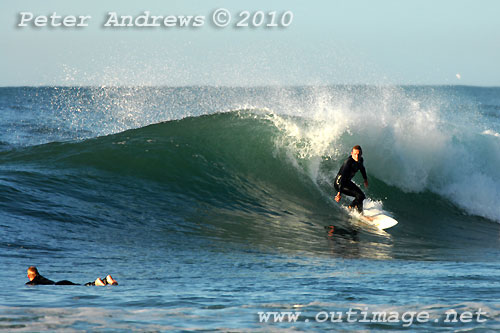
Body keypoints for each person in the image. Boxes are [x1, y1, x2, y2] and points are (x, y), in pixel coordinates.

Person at [334, 145, 369, 214]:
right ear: (351, 153)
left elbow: (362, 169)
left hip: (347, 182)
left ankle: (354, 209)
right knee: (360, 196)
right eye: (355, 154)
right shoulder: (348, 163)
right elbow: (343, 178)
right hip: (339, 183)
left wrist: (365, 179)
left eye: (358, 154)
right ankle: (358, 212)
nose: (357, 156)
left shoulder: (360, 160)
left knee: (361, 196)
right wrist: (339, 193)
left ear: (361, 154)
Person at [25, 266, 118, 286]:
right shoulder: (41, 277)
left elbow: (31, 283)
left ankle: (98, 282)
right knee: (81, 286)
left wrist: (27, 284)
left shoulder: (34, 281)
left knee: (81, 286)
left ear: (29, 276)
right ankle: (106, 280)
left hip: (59, 285)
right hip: (61, 282)